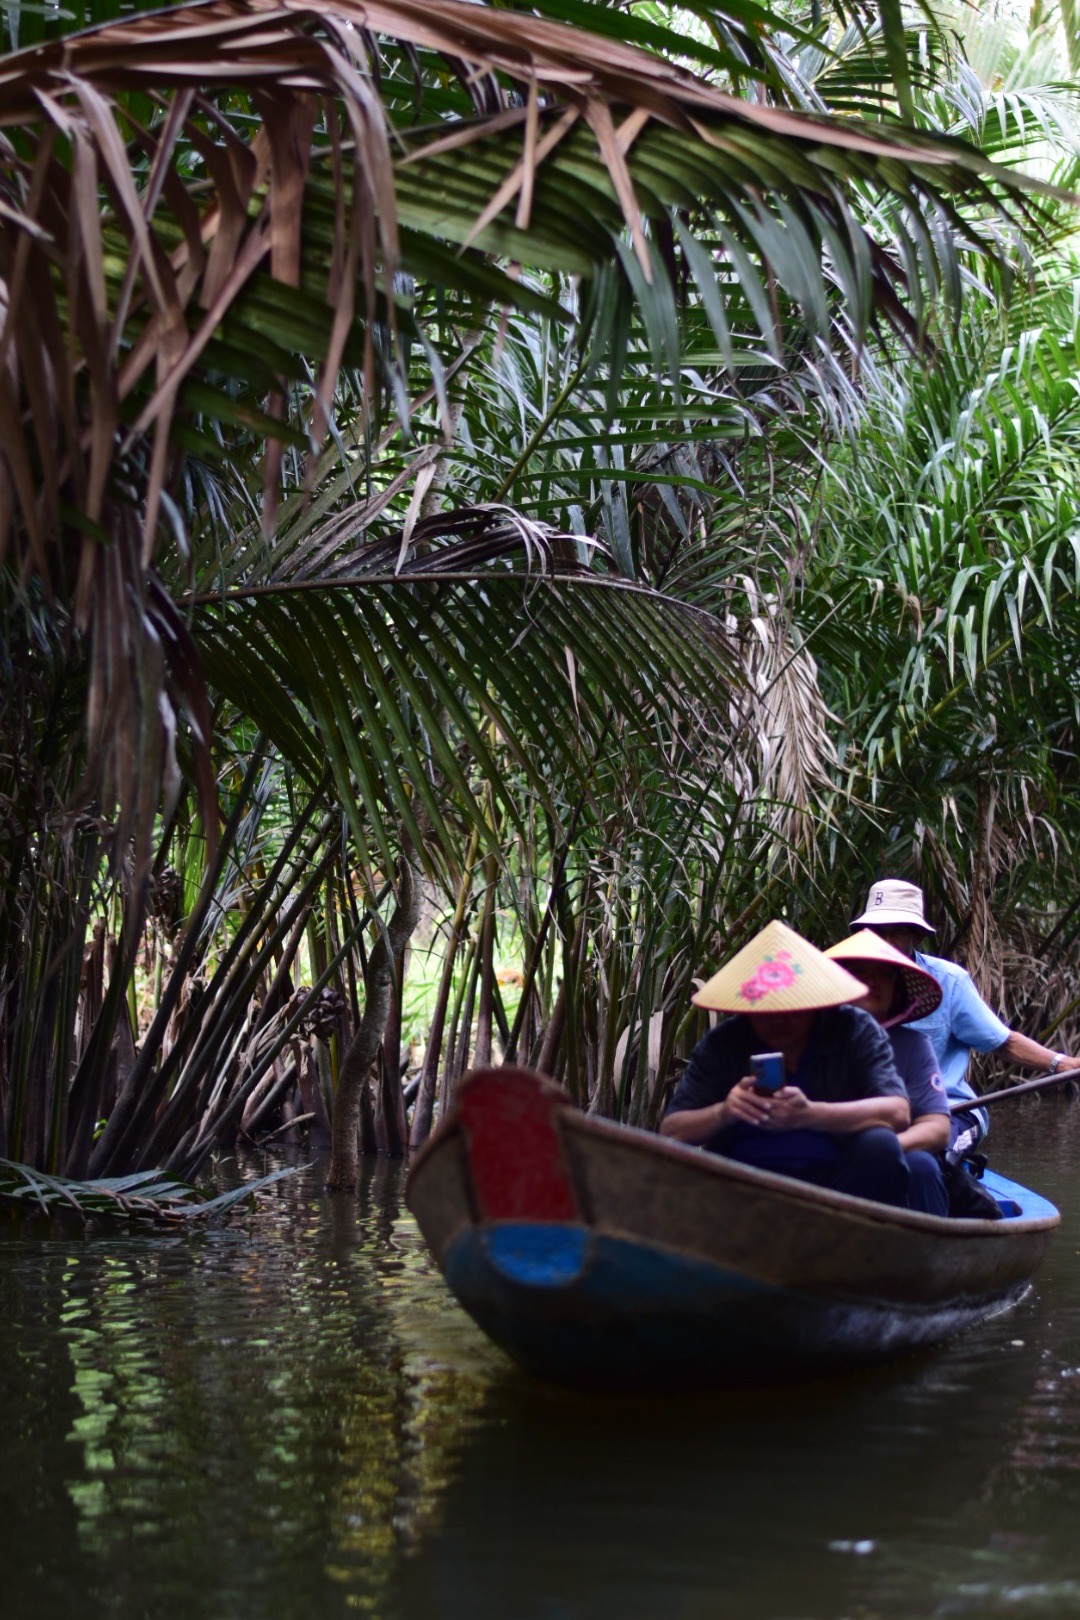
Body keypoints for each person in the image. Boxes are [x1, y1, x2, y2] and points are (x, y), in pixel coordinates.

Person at [661, 919, 912, 1208]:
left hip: (839, 1191)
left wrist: (810, 1114)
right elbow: (672, 1130)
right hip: (740, 1189)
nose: (780, 1020)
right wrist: (725, 1111)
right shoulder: (725, 1042)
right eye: (768, 1011)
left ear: (814, 1003)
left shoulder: (854, 1030)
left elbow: (897, 1111)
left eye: (792, 1009)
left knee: (880, 1146)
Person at [852, 879, 1077, 1148]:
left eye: (896, 933)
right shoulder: (844, 979)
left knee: (938, 1153)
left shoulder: (949, 981)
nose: (885, 942)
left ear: (917, 936)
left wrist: (1064, 1064)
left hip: (949, 1110)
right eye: (878, 932)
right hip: (877, 1114)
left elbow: (1003, 1041)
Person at [825, 929, 949, 1216]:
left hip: (888, 1159)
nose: (872, 982)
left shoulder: (914, 1045)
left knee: (922, 1167)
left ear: (896, 990)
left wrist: (882, 1150)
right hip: (822, 1157)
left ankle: (926, 1252)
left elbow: (938, 1128)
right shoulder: (812, 1034)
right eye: (858, 972)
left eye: (883, 975)